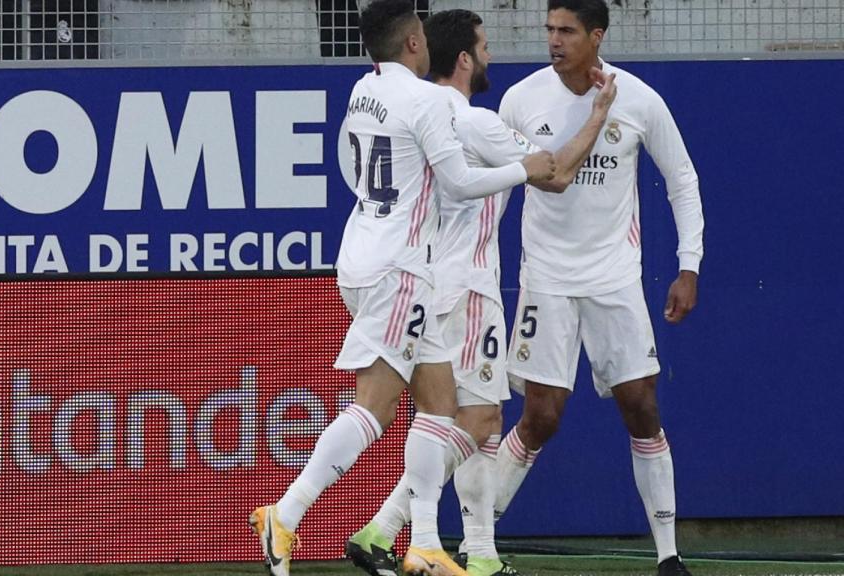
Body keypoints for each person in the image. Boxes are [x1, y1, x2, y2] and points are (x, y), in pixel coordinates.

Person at [247, 2, 557, 575]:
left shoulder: (362, 91)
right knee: (375, 407)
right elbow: (461, 184)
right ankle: (286, 515)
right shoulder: (425, 101)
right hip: (401, 268)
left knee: (441, 408)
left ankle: (425, 545)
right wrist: (525, 167)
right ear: (416, 42)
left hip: (366, 254)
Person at [343, 9, 618, 576]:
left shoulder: (411, 106)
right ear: (464, 58)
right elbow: (558, 172)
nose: (491, 56)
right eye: (485, 47)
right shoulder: (469, 120)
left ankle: (475, 550)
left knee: (455, 417)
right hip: (465, 288)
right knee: (477, 419)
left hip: (422, 280)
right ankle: (386, 531)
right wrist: (598, 113)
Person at [494, 1, 705, 576]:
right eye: (549, 30)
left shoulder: (636, 98)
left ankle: (668, 555)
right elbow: (501, 189)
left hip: (614, 279)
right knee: (540, 417)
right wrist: (483, 263)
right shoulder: (522, 99)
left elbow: (680, 178)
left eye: (566, 31)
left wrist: (689, 264)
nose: (554, 41)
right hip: (546, 279)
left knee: (641, 407)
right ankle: (477, 544)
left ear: (596, 36)